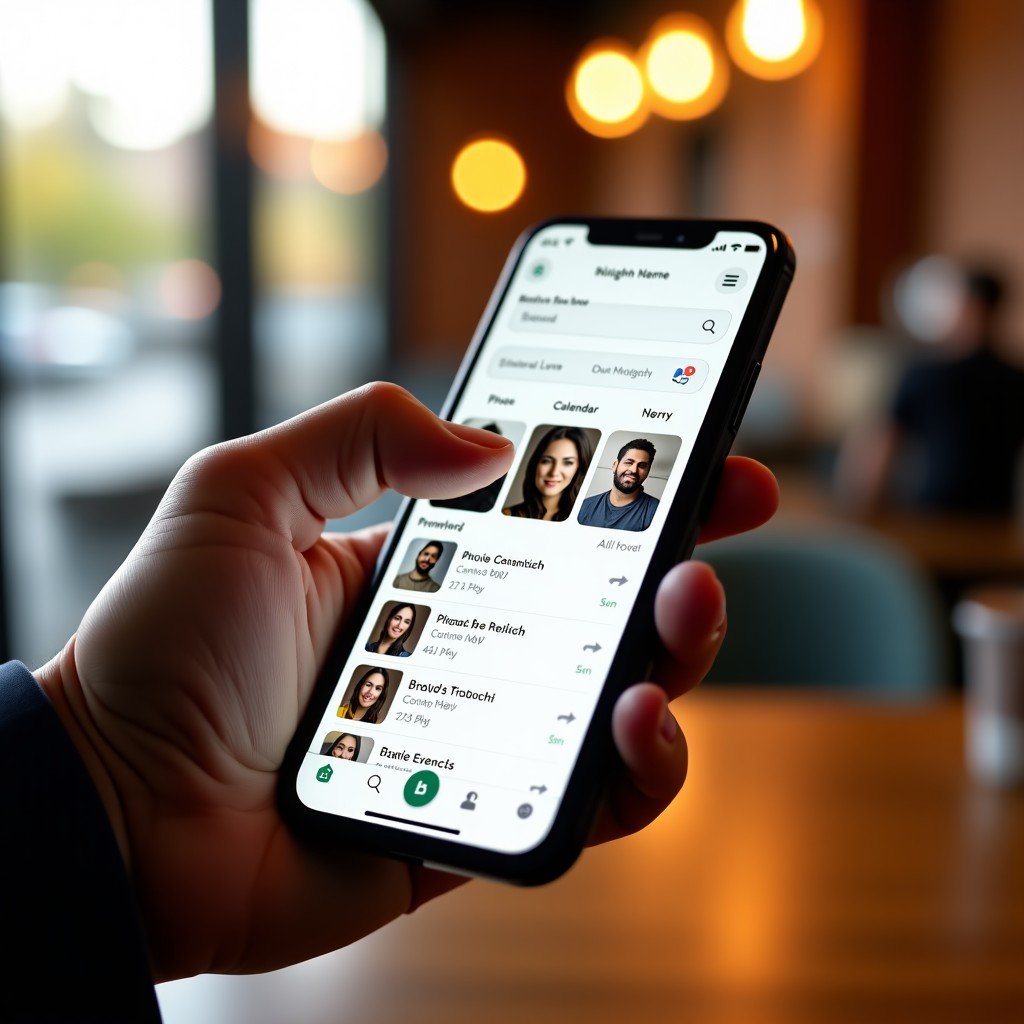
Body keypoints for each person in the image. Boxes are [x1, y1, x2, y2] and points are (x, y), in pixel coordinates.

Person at [0, 382, 778, 1021]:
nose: (555, 470)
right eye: (555, 458)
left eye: (581, 462)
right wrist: (111, 772)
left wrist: (109, 783)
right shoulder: (473, 513)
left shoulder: (623, 517)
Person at [836, 264, 1024, 515]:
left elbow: (882, 448)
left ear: (964, 306)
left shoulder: (926, 375)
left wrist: (860, 513)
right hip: (995, 521)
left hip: (932, 519)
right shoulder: (1015, 378)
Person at [503, 425, 594, 521]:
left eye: (567, 463)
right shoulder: (507, 515)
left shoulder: (586, 517)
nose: (554, 472)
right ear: (535, 464)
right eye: (547, 461)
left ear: (579, 469)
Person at [578, 438, 660, 531]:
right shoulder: (585, 506)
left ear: (647, 472)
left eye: (642, 466)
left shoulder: (657, 511)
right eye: (629, 462)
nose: (633, 470)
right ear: (615, 465)